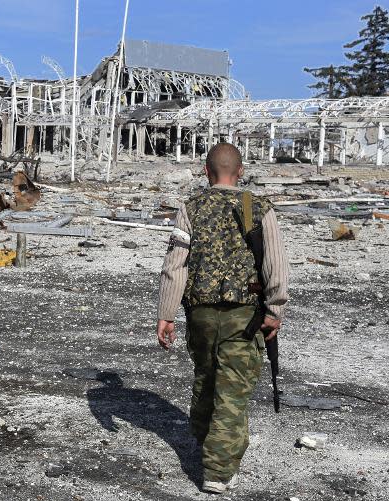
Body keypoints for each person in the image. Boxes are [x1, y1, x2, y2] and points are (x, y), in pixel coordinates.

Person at [155, 143, 289, 494]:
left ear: (206, 171)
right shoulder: (257, 207)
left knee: (206, 377)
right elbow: (276, 265)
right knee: (233, 391)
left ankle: (205, 440)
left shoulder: (191, 207)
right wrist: (275, 311)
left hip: (199, 313)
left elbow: (175, 265)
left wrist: (166, 315)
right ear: (241, 171)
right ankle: (217, 470)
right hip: (243, 314)